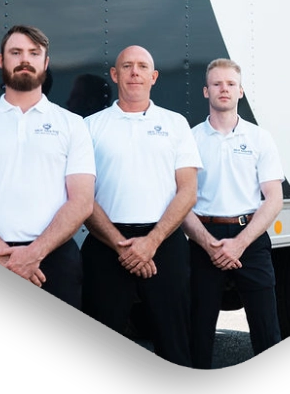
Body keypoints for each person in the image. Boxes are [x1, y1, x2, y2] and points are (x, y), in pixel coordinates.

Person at [0, 25, 96, 309]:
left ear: (45, 63)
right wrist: (1, 255)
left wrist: (35, 253)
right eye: (16, 52)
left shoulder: (72, 125)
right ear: (2, 61)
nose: (25, 59)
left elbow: (82, 201)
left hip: (55, 263)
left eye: (34, 53)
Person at [81, 45, 201, 368]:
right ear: (114, 74)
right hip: (106, 245)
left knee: (174, 345)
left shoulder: (176, 124)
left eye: (142, 66)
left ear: (154, 76)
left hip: (165, 244)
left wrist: (152, 242)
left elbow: (188, 192)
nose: (135, 72)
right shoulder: (90, 127)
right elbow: (81, 196)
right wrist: (123, 247)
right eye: (127, 66)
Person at [182, 58, 284, 369]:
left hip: (250, 240)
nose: (223, 89)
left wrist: (240, 243)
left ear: (240, 91)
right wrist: (208, 243)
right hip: (203, 241)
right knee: (198, 332)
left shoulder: (259, 138)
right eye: (216, 84)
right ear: (205, 91)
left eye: (230, 84)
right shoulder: (190, 139)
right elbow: (181, 200)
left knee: (267, 328)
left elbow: (274, 198)